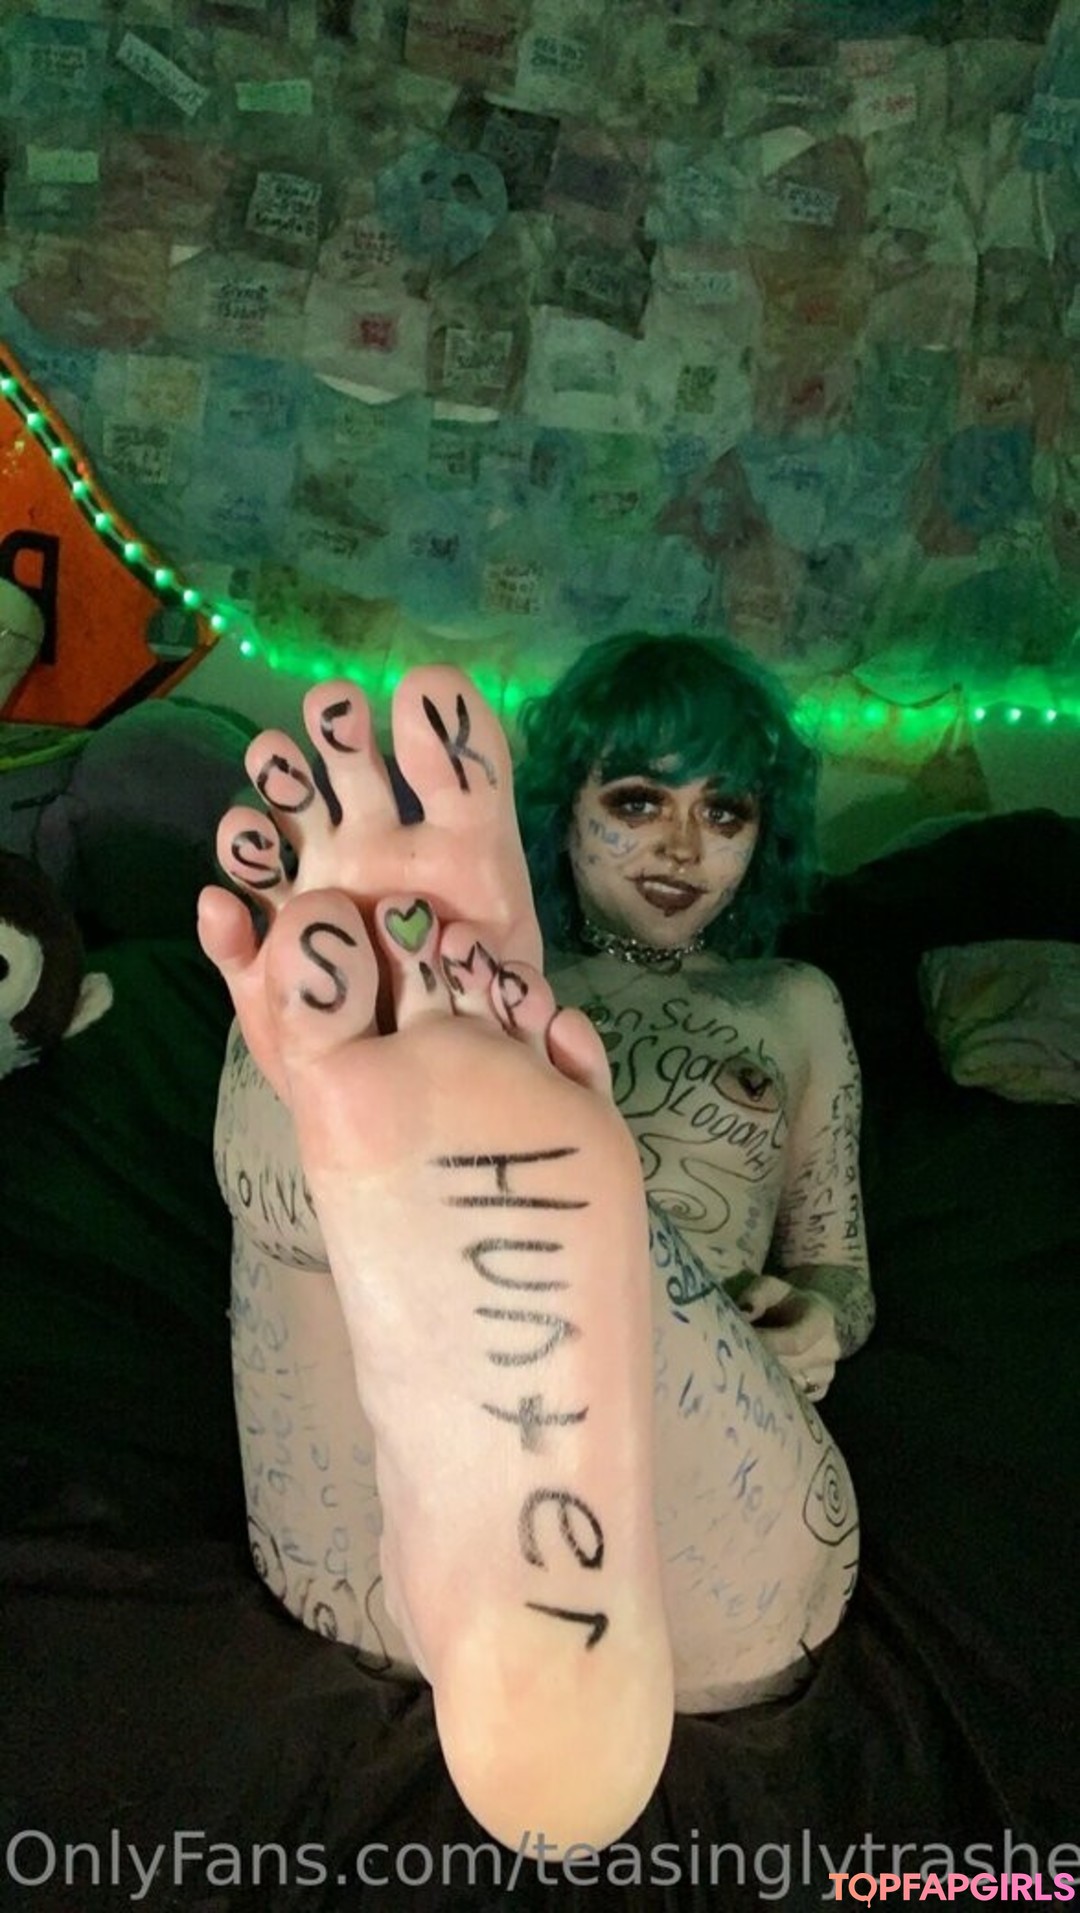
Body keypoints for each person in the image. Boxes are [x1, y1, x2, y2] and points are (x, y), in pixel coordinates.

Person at [197, 640, 872, 1856]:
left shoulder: (795, 1002)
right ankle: (367, 1139)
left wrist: (820, 1318)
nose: (683, 845)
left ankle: (462, 1190)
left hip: (709, 1504)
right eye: (639, 801)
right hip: (359, 1524)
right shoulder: (496, 973)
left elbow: (840, 1268)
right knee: (325, 1081)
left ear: (762, 834)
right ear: (562, 806)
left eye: (724, 810)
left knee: (364, 1033)